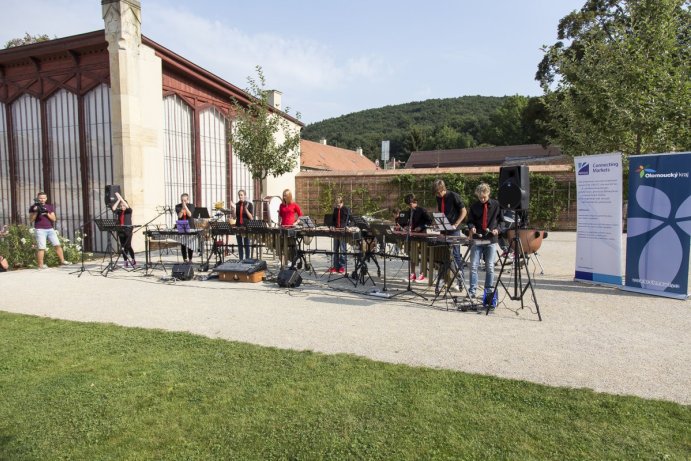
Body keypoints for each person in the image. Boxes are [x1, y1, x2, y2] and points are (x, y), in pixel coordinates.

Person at [466, 183, 502, 302]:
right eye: (480, 197)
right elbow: (469, 221)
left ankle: (488, 291)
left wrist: (498, 229)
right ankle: (472, 291)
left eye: (484, 197)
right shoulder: (474, 206)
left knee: (490, 266)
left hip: (490, 239)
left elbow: (502, 221)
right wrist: (472, 227)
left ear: (488, 194)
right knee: (474, 266)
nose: (482, 199)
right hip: (477, 239)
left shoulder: (496, 205)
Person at [433, 179, 467, 288]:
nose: (438, 195)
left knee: (456, 255)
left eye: (439, 192)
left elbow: (464, 211)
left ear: (444, 188)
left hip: (454, 229)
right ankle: (444, 279)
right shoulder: (438, 197)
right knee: (443, 255)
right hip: (444, 229)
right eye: (436, 193)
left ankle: (461, 281)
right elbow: (439, 211)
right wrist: (436, 222)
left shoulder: (453, 196)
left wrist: (456, 224)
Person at [29, 191, 71, 269]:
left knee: (57, 245)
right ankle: (40, 265)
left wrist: (46, 213)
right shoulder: (33, 207)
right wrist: (36, 212)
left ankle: (62, 261)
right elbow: (31, 220)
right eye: (40, 198)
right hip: (40, 229)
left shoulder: (49, 207)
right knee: (42, 247)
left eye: (43, 198)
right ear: (38, 198)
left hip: (50, 229)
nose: (42, 199)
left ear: (46, 198)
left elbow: (54, 219)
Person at [402, 193, 432, 283]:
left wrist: (421, 227)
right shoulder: (409, 211)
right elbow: (406, 222)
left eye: (411, 204)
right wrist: (406, 226)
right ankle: (413, 274)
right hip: (412, 236)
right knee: (412, 255)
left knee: (422, 255)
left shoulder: (422, 210)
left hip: (422, 235)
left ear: (415, 202)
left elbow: (430, 221)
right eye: (408, 205)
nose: (409, 206)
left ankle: (422, 274)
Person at [111, 191, 136, 268]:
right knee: (122, 247)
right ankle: (125, 261)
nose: (122, 206)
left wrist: (121, 198)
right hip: (121, 230)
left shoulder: (128, 211)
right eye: (121, 205)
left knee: (128, 246)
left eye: (123, 205)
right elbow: (113, 208)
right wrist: (118, 200)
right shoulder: (119, 212)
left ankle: (133, 259)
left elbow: (127, 206)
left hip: (128, 230)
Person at [329, 195, 350, 274]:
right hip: (336, 232)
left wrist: (344, 227)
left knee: (342, 249)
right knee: (335, 249)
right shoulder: (335, 210)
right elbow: (333, 220)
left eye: (339, 205)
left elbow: (346, 220)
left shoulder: (346, 209)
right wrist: (332, 226)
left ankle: (342, 266)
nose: (338, 206)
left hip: (342, 232)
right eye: (336, 205)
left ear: (342, 203)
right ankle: (335, 266)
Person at [175, 193, 196, 262]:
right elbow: (180, 216)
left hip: (190, 226)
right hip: (181, 225)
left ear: (188, 200)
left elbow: (189, 214)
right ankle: (185, 259)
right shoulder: (177, 206)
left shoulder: (192, 206)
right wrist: (182, 208)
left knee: (190, 244)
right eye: (182, 200)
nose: (183, 202)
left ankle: (190, 259)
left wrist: (185, 207)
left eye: (185, 200)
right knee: (183, 244)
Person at [235, 189, 254, 260]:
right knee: (240, 245)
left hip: (246, 227)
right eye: (239, 195)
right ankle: (240, 260)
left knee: (247, 245)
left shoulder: (249, 204)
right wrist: (234, 209)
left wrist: (246, 210)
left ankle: (247, 260)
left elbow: (251, 218)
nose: (240, 196)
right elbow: (234, 217)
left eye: (241, 195)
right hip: (238, 226)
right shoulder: (237, 204)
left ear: (245, 196)